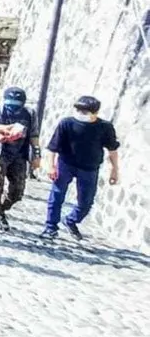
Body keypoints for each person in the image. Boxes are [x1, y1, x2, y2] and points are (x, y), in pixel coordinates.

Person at [40, 95, 120, 241]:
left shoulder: (105, 127)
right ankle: (50, 227)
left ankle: (71, 220)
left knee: (86, 201)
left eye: (85, 112)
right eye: (78, 110)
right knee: (57, 196)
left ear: (95, 113)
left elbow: (112, 150)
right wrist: (51, 166)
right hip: (66, 164)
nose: (81, 114)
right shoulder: (66, 124)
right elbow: (53, 147)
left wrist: (115, 170)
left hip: (89, 168)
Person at [0, 87, 41, 233]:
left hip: (20, 155)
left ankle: (1, 210)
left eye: (17, 103)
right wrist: (6, 133)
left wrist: (36, 154)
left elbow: (34, 134)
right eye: (11, 103)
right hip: (0, 153)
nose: (13, 106)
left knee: (17, 191)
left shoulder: (30, 113)